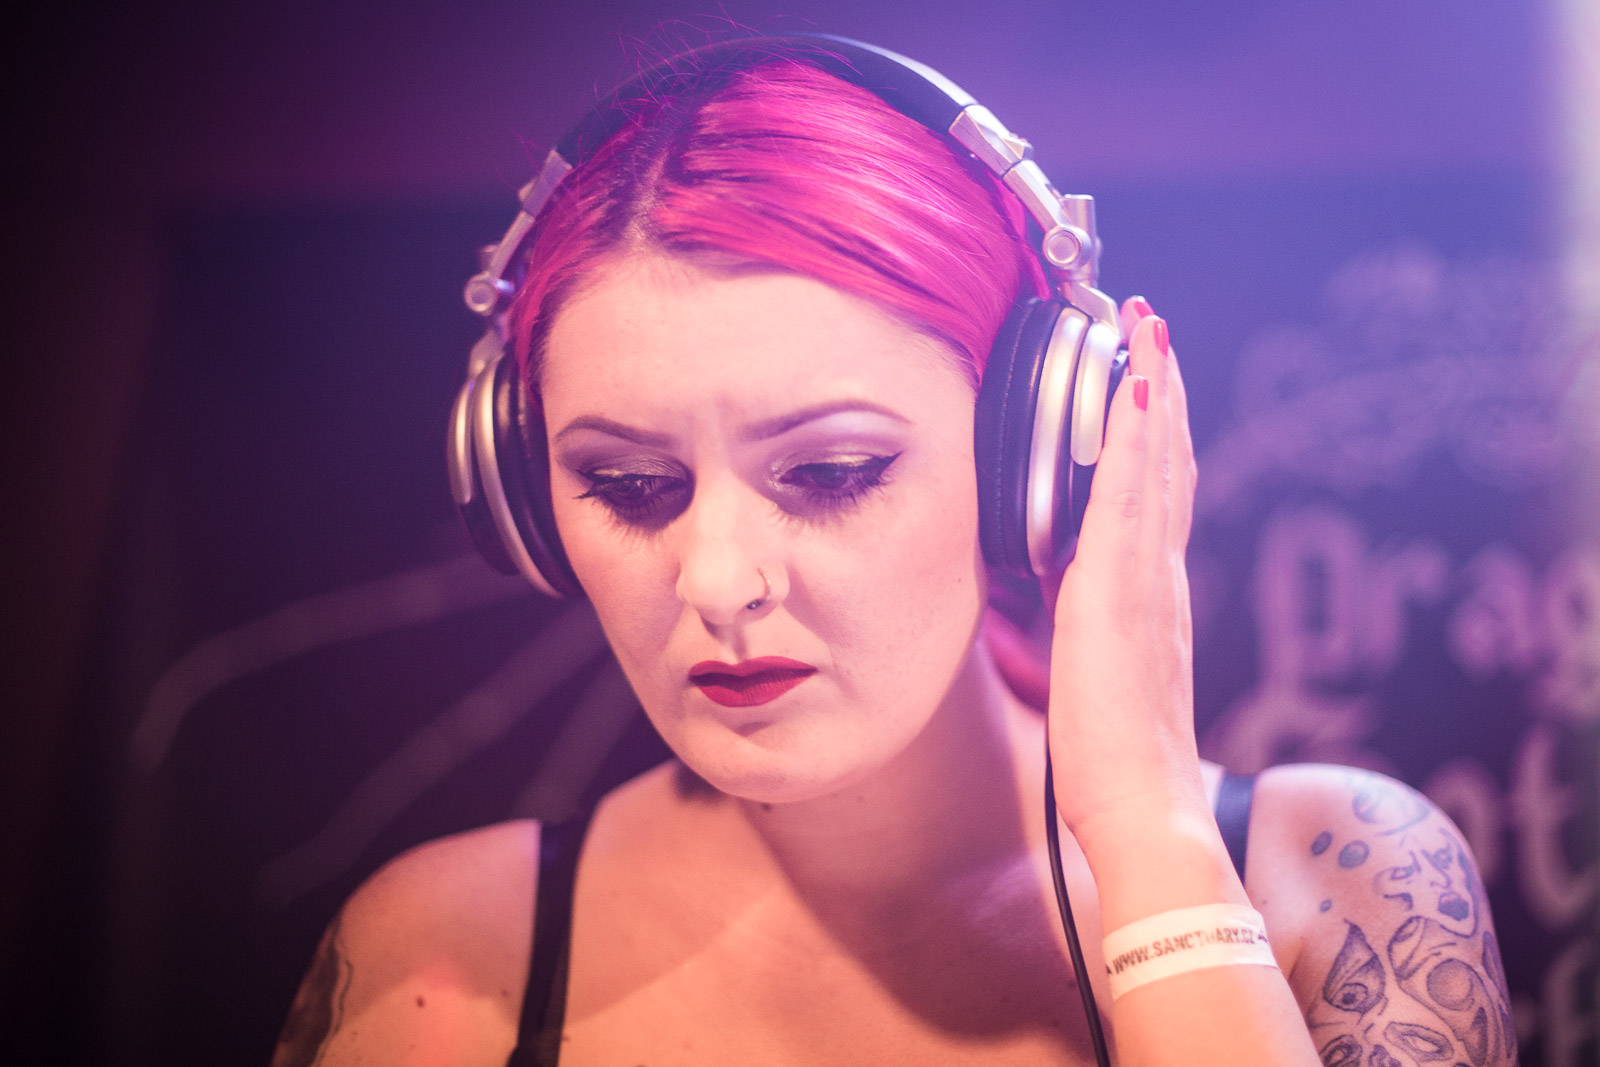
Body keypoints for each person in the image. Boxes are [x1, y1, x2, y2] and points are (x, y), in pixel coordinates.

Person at [270, 38, 1516, 1067]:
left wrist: (1150, 840)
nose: (718, 580)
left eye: (831, 472)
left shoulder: (1339, 883)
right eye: (631, 487)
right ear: (523, 497)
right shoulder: (443, 956)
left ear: (1036, 457)